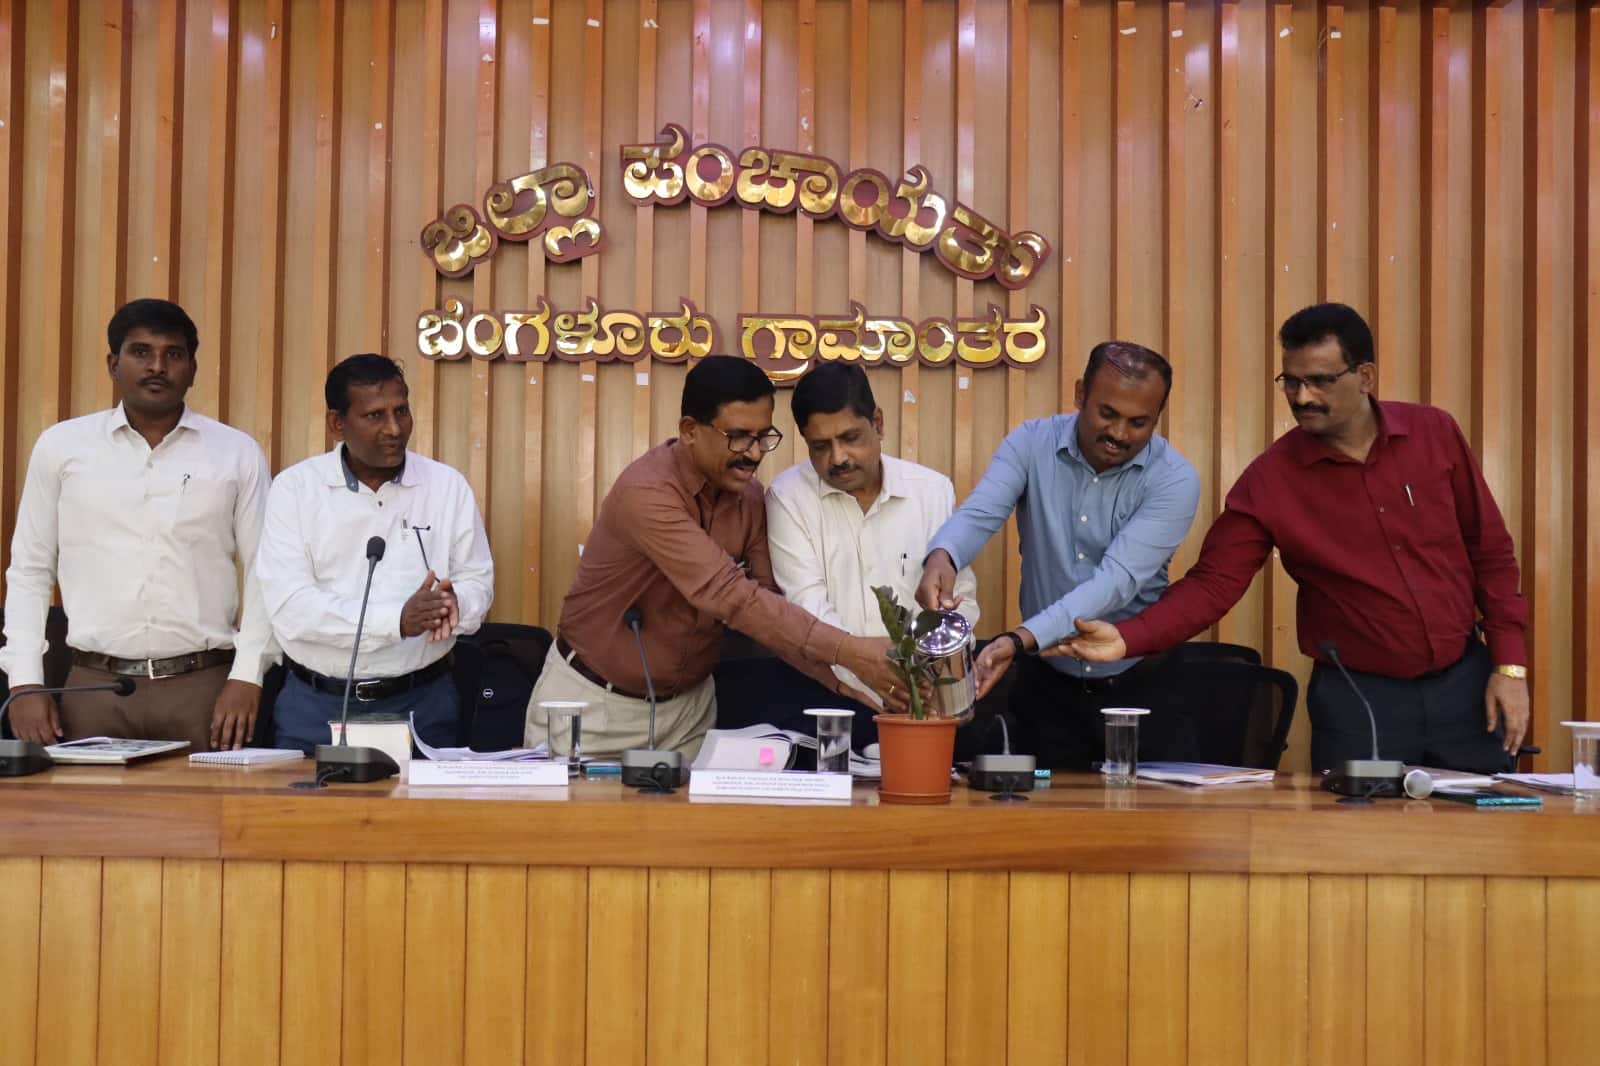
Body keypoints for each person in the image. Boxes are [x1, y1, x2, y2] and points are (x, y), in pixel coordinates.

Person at [1057, 303, 1529, 773]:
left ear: (1365, 376)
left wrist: (1509, 665)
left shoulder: (1434, 433)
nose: (1302, 397)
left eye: (1320, 380)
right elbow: (1213, 584)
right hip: (1359, 702)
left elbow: (1490, 552)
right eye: (1291, 381)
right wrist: (1128, 638)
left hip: (1467, 689)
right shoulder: (1270, 480)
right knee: (1356, 825)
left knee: (1488, 818)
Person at [524, 355, 906, 761]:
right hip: (593, 707)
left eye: (763, 437)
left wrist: (850, 686)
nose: (754, 453)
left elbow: (770, 611)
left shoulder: (751, 498)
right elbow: (728, 594)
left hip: (691, 715)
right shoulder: (646, 493)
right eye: (738, 437)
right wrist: (850, 651)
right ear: (690, 430)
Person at [0, 299, 275, 752]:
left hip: (204, 690)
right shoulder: (62, 448)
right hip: (93, 688)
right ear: (114, 364)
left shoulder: (236, 453)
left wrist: (248, 675)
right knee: (83, 803)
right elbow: (30, 569)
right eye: (141, 352)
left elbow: (267, 571)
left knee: (207, 804)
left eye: (173, 354)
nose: (157, 367)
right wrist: (25, 681)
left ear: (193, 369)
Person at [916, 341, 1200, 768]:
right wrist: (943, 557)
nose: (1119, 433)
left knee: (1151, 813)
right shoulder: (1031, 443)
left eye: (1139, 422)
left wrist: (1019, 639)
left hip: (1143, 689)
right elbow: (981, 513)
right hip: (1047, 689)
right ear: (1080, 393)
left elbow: (1114, 584)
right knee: (1043, 811)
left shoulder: (1174, 479)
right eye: (1108, 413)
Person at [255, 355, 493, 753]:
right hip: (316, 706)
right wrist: (396, 620)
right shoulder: (295, 489)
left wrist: (455, 604)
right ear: (337, 424)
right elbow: (291, 608)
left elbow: (477, 581)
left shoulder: (446, 486)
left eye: (401, 411)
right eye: (375, 416)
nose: (394, 429)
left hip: (422, 702)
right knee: (303, 797)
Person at [765, 362, 978, 728]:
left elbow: (962, 602)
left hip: (925, 703)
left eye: (850, 438)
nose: (838, 458)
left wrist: (924, 679)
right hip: (830, 701)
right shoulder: (788, 497)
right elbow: (806, 607)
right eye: (820, 446)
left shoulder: (932, 492)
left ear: (878, 423)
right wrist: (869, 670)